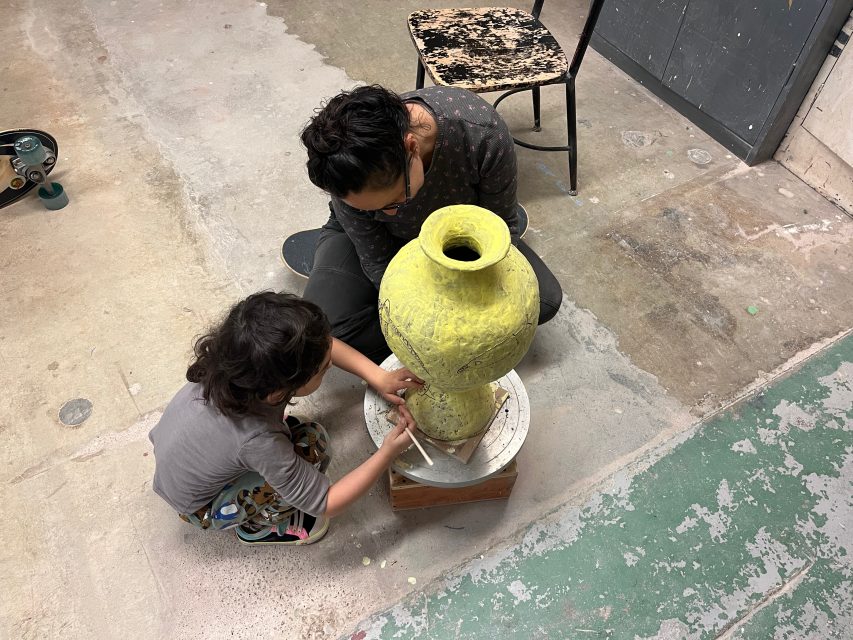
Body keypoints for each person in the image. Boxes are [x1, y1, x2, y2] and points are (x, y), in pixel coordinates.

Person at [301, 84, 563, 364]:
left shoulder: (482, 133)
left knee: (541, 302)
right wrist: (427, 316)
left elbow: (499, 226)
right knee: (326, 334)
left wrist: (451, 306)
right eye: (372, 207)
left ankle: (437, 345)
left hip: (458, 233)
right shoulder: (344, 172)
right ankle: (446, 346)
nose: (389, 213)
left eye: (394, 202)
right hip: (376, 239)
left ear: (411, 147)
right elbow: (379, 262)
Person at [148, 292, 423, 545]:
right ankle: (259, 526)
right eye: (323, 371)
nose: (329, 365)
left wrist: (378, 376)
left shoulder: (231, 363)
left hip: (178, 460)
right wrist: (386, 454)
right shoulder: (258, 440)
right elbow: (327, 502)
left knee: (296, 440)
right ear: (276, 392)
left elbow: (325, 346)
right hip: (202, 507)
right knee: (313, 447)